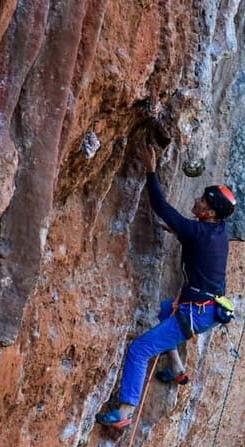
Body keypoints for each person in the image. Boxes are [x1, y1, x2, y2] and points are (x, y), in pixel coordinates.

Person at [95, 141, 237, 429]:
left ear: (209, 213)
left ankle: (124, 412)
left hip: (195, 312)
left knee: (140, 350)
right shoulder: (216, 230)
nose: (197, 201)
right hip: (207, 309)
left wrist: (151, 171)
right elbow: (198, 241)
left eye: (203, 202)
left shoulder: (198, 230)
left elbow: (161, 206)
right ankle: (176, 368)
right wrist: (180, 231)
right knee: (163, 311)